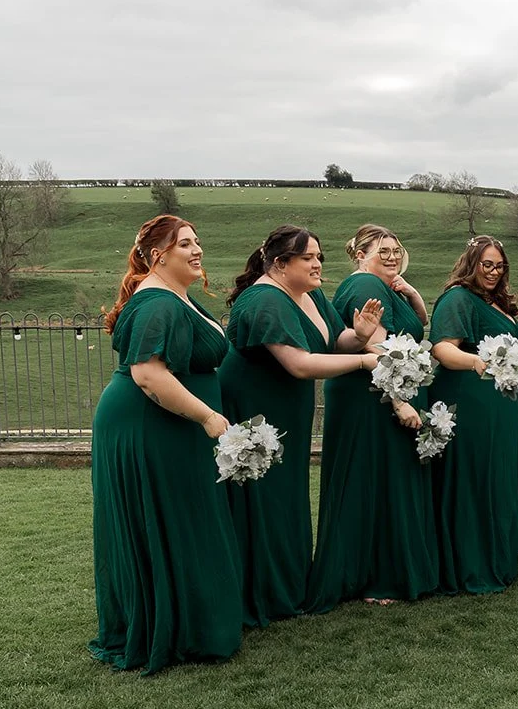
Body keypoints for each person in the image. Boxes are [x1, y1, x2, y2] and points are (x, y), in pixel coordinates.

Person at [89, 215, 247, 674]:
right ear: (158, 255)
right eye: (185, 244)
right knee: (171, 516)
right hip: (150, 423)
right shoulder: (157, 303)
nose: (197, 251)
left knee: (188, 516)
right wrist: (208, 416)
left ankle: (191, 622)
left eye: (198, 242)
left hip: (172, 423)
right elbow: (148, 374)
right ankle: (173, 628)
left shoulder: (178, 296)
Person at [218, 226, 381, 625]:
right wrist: (364, 361)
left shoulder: (311, 294)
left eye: (319, 256)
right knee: (263, 500)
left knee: (287, 496)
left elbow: (333, 340)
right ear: (280, 263)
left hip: (289, 408)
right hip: (256, 410)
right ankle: (258, 593)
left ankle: (287, 587)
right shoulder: (263, 299)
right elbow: (300, 363)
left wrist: (358, 338)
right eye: (308, 257)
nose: (317, 263)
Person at [306, 225, 438, 608]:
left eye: (397, 250)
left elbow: (413, 325)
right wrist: (399, 402)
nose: (393, 256)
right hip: (372, 398)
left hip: (385, 393)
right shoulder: (364, 287)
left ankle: (388, 569)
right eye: (383, 251)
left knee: (390, 479)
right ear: (360, 254)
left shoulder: (387, 287)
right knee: (374, 480)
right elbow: (380, 348)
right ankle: (374, 576)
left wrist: (411, 292)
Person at [429, 234, 518, 593]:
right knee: (475, 478)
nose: (494, 272)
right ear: (471, 263)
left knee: (497, 477)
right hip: (471, 403)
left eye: (500, 266)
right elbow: (442, 349)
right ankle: (469, 563)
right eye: (487, 264)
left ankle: (496, 557)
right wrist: (481, 363)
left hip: (499, 406)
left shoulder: (495, 300)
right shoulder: (458, 298)